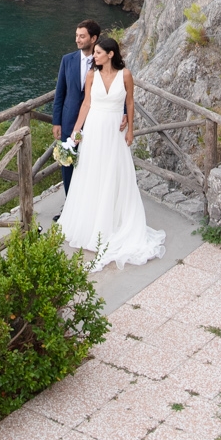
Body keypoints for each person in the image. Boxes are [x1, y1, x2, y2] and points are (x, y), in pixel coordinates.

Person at [57, 36, 165, 270]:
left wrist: (131, 130)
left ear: (110, 54)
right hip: (94, 129)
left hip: (115, 132)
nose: (93, 56)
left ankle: (114, 222)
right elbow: (86, 104)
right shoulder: (91, 76)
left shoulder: (125, 75)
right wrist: (76, 132)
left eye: (97, 53)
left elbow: (131, 103)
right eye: (94, 53)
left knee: (114, 174)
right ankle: (91, 224)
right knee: (91, 173)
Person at [51, 19, 99, 193]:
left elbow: (116, 89)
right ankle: (69, 205)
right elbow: (60, 92)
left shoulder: (103, 60)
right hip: (69, 120)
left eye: (82, 36)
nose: (77, 40)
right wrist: (57, 122)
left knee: (91, 163)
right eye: (76, 36)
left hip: (94, 121)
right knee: (68, 164)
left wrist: (123, 113)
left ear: (93, 39)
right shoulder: (67, 60)